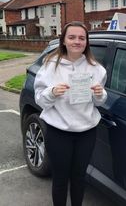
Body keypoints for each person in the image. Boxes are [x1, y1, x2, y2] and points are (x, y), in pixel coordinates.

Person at [34, 21, 107, 206]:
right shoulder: (50, 66)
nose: (77, 41)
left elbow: (98, 102)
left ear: (86, 42)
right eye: (72, 37)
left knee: (79, 177)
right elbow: (40, 100)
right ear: (64, 40)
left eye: (82, 38)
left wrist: (100, 94)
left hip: (86, 132)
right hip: (59, 132)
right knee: (60, 179)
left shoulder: (96, 69)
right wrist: (51, 92)